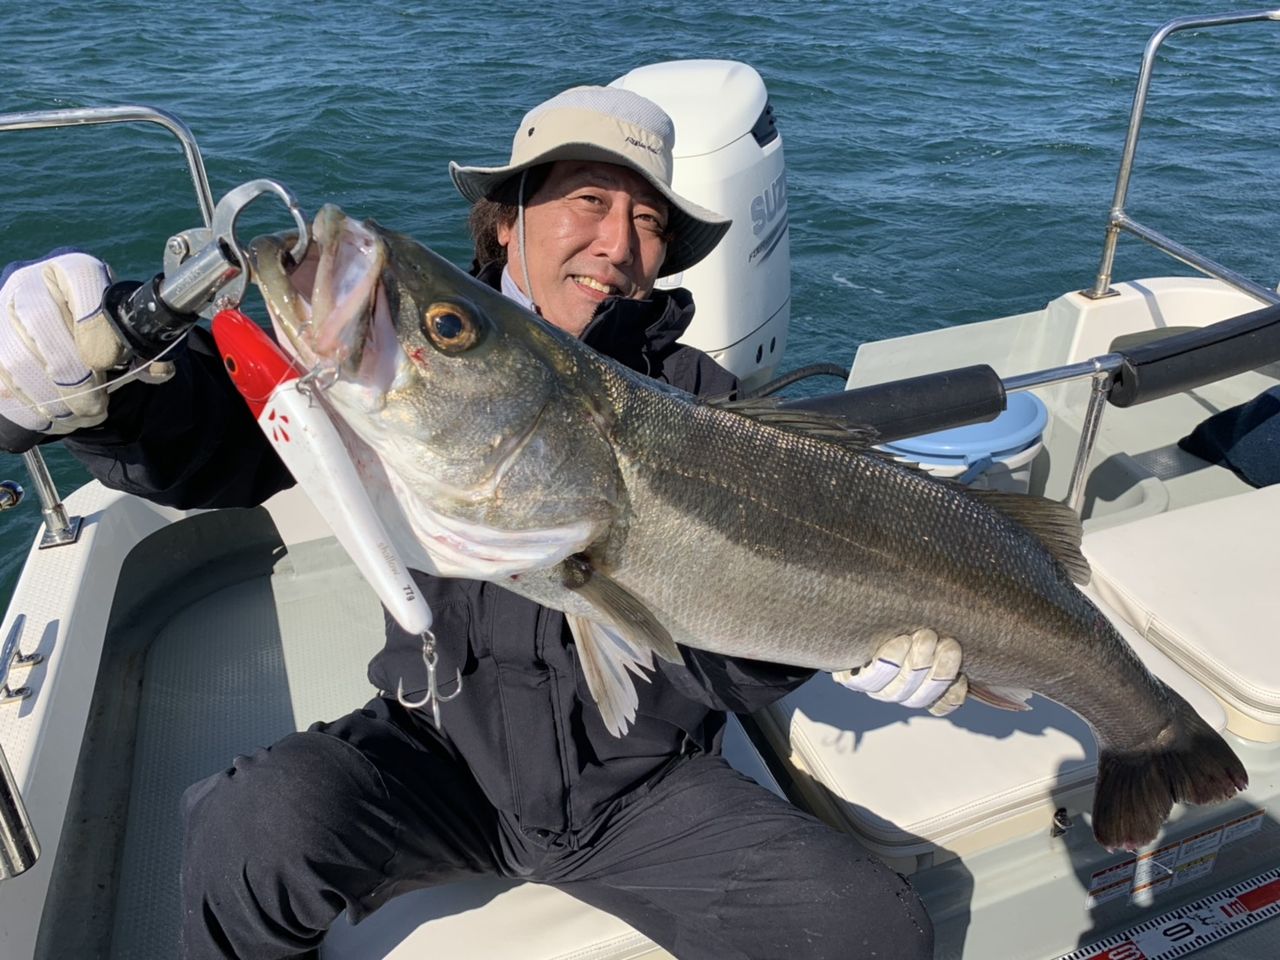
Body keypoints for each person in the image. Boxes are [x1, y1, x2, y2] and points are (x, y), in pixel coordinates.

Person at [0, 86, 966, 959]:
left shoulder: (703, 402)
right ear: (505, 223)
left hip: (643, 786)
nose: (619, 243)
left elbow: (717, 660)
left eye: (648, 221)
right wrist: (111, 394)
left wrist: (835, 640)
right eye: (589, 200)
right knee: (253, 826)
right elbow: (221, 437)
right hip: (436, 752)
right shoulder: (398, 362)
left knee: (873, 930)